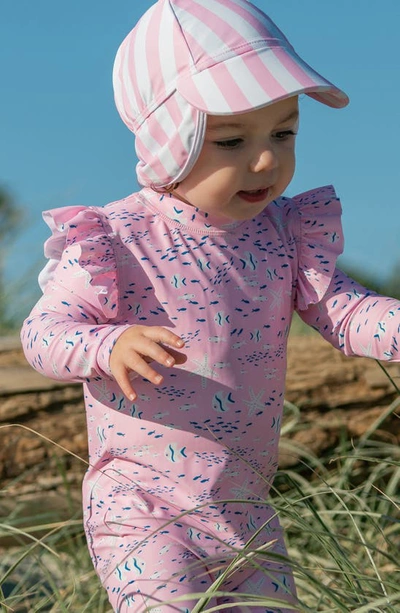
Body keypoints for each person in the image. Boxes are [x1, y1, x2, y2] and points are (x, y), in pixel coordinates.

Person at [21, 0, 400, 611]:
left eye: (284, 131)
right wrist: (107, 343)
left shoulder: (285, 234)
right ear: (169, 138)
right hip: (142, 506)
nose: (265, 159)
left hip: (246, 508)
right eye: (230, 140)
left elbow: (347, 312)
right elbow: (43, 335)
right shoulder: (116, 240)